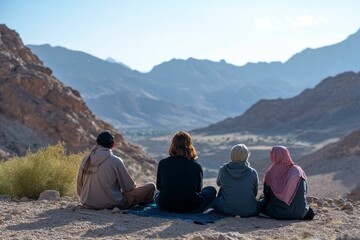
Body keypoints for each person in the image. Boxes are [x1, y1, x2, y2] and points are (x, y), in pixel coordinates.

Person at [77, 130, 156, 209]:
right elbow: (129, 188)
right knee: (151, 186)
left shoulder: (86, 159)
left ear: (97, 142)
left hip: (87, 202)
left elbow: (79, 185)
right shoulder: (115, 161)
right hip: (111, 203)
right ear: (113, 145)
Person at [155, 131, 217, 212]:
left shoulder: (163, 163)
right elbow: (198, 190)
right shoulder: (196, 166)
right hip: (190, 207)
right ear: (190, 145)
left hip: (165, 206)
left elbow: (159, 187)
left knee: (156, 194)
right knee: (211, 190)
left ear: (173, 145)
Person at [261, 146, 315, 220]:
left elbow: (267, 195)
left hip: (278, 213)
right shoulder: (298, 171)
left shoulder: (270, 173)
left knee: (261, 205)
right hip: (301, 213)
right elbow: (304, 192)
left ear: (274, 156)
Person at [211, 144, 261, 217]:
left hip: (225, 209)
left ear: (231, 154)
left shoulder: (223, 170)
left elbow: (218, 183)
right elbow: (254, 192)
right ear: (246, 156)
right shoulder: (252, 172)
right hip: (250, 211)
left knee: (212, 194)